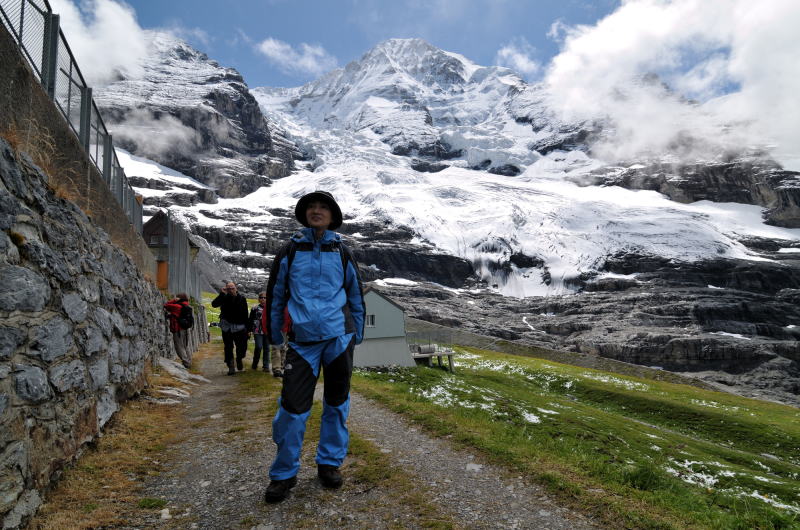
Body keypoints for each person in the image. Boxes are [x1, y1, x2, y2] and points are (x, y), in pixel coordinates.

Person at [263, 190, 365, 503]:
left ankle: (329, 464)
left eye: (323, 207)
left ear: (333, 216)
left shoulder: (342, 252)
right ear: (304, 214)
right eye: (311, 207)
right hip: (303, 342)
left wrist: (356, 334)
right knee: (292, 410)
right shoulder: (290, 250)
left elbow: (355, 294)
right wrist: (274, 333)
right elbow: (276, 293)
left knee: (336, 405)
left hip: (338, 339)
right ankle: (284, 474)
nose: (316, 211)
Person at [212, 281, 249, 375]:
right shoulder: (223, 297)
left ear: (236, 288)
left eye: (232, 288)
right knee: (228, 347)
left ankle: (239, 358)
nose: (231, 290)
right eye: (229, 289)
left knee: (241, 347)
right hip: (226, 327)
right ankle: (231, 366)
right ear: (226, 289)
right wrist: (221, 294)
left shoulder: (242, 299)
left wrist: (248, 329)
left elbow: (245, 314)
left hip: (239, 327)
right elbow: (214, 304)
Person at [164, 293, 193, 368]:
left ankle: (186, 363)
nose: (175, 298)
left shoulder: (176, 306)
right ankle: (189, 361)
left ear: (179, 298)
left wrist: (174, 300)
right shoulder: (187, 305)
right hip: (185, 329)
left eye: (177, 297)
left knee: (179, 346)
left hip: (178, 329)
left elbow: (166, 305)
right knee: (186, 346)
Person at [248, 292, 269, 371]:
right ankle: (255, 364)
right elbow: (250, 320)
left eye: (265, 298)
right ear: (259, 299)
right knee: (258, 347)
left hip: (267, 331)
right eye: (261, 297)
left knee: (266, 348)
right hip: (257, 331)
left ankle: (266, 366)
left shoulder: (270, 308)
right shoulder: (255, 308)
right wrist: (249, 330)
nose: (263, 299)